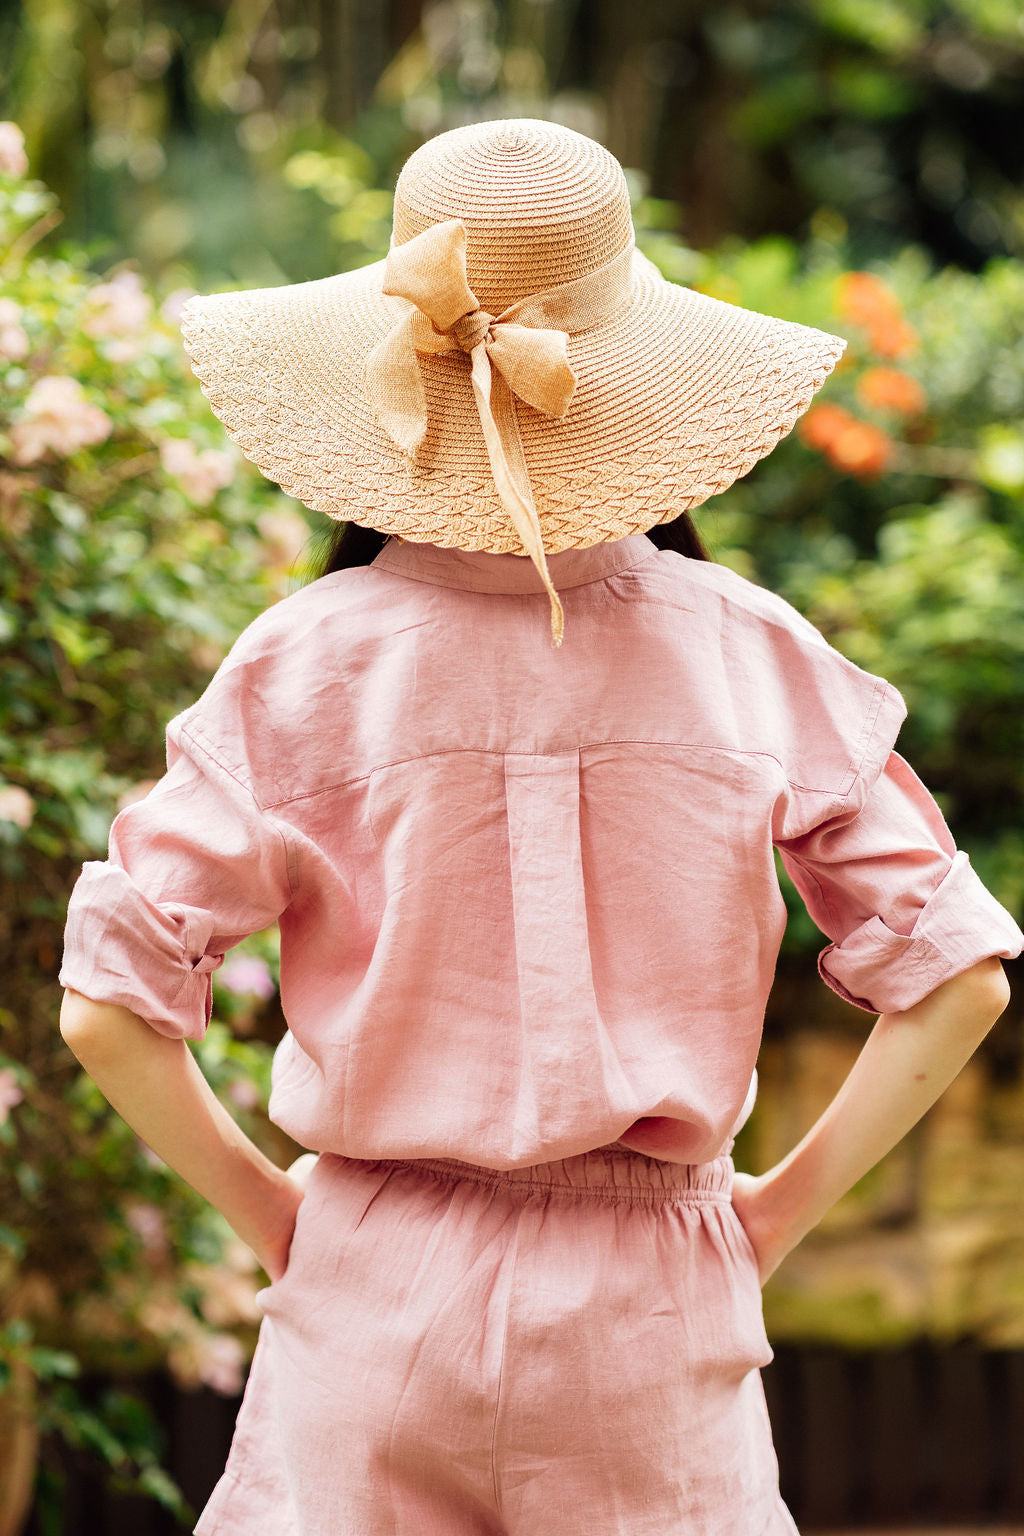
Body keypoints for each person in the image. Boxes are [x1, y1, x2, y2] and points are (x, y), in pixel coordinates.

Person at [58, 118, 1022, 1536]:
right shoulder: (747, 650)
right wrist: (767, 1225)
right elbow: (959, 978)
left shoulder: (301, 664)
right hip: (655, 1310)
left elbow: (105, 1009)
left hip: (369, 1304)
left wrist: (284, 1222)